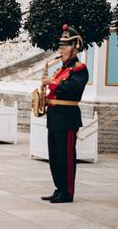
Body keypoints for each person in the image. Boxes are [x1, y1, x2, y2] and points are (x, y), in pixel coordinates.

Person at [40, 24, 88, 203]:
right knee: (54, 157)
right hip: (54, 116)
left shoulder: (79, 69)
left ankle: (67, 192)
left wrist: (52, 83)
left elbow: (74, 89)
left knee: (66, 157)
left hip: (67, 117)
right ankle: (59, 188)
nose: (61, 49)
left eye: (65, 46)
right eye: (60, 45)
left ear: (75, 48)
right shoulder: (61, 69)